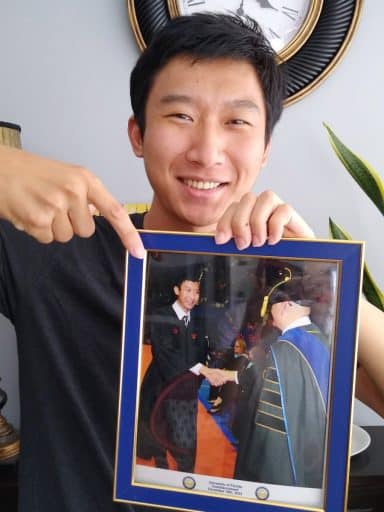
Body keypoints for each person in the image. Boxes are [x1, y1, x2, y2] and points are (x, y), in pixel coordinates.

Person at [0, 11, 382, 512]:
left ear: (264, 149)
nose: (207, 151)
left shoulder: (278, 282)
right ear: (138, 135)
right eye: (180, 116)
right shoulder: (59, 249)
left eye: (237, 122)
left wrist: (332, 283)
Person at [231, 278, 330, 488]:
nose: (270, 319)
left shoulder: (283, 351)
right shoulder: (321, 338)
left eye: (271, 310)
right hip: (315, 452)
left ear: (285, 306)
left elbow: (271, 428)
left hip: (281, 471)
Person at [137, 268, 220, 472]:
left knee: (185, 441)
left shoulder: (199, 322)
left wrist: (208, 368)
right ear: (176, 290)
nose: (193, 297)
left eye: (197, 292)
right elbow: (165, 352)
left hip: (185, 391)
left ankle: (185, 481)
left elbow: (203, 351)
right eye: (188, 290)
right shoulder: (161, 316)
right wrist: (201, 368)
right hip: (160, 386)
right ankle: (161, 474)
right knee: (158, 433)